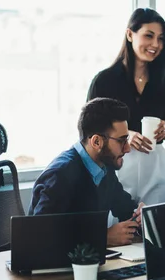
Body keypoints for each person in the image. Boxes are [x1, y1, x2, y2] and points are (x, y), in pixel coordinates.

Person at [87, 8, 165, 208]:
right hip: (118, 166)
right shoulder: (105, 81)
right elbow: (90, 132)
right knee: (119, 233)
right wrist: (126, 135)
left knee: (156, 231)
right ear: (130, 34)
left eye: (161, 38)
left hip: (156, 169)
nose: (156, 44)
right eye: (149, 36)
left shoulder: (162, 82)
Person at [28, 98, 143, 247]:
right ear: (96, 142)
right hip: (57, 268)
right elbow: (40, 238)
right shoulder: (60, 175)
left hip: (91, 262)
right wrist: (102, 237)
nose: (127, 148)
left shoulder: (104, 168)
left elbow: (125, 208)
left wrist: (140, 215)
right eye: (122, 141)